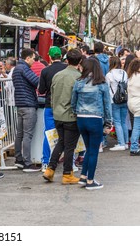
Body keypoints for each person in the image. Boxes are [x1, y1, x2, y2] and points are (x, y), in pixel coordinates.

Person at [42, 48, 82, 184]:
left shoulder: (57, 75)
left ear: (67, 59)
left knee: (61, 142)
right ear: (80, 61)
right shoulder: (78, 77)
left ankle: (50, 169)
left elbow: (51, 94)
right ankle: (67, 174)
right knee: (70, 146)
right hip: (71, 115)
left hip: (57, 114)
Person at [71, 57, 112, 190]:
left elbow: (73, 102)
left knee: (89, 149)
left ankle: (83, 176)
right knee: (94, 151)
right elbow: (107, 106)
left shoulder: (78, 82)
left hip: (81, 118)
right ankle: (90, 180)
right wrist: (108, 123)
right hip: (95, 118)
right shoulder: (101, 83)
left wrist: (76, 112)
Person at [38, 46, 66, 172]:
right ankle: (71, 162)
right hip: (66, 105)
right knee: (69, 135)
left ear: (49, 57)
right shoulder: (67, 69)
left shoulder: (45, 71)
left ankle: (45, 162)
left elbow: (42, 90)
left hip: (50, 105)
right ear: (61, 56)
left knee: (49, 133)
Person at [12, 48, 40, 172]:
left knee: (20, 134)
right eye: (33, 58)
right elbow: (36, 82)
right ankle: (27, 163)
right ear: (27, 58)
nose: (34, 61)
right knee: (27, 135)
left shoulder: (16, 69)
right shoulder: (24, 68)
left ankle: (18, 159)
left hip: (20, 104)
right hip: (28, 104)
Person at [105, 56, 129, 151]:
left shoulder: (109, 75)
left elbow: (107, 89)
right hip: (124, 100)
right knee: (123, 122)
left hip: (114, 100)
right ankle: (126, 142)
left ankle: (121, 143)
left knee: (117, 122)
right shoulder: (124, 73)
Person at [127, 59, 140, 156]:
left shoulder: (131, 77)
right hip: (138, 103)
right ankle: (134, 147)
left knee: (137, 126)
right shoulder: (139, 77)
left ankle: (134, 146)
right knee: (137, 126)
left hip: (131, 104)